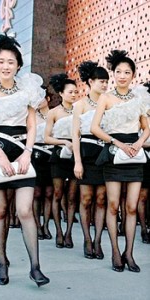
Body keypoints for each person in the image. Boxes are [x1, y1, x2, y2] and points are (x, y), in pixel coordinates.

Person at [0, 33, 50, 286]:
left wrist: (28, 152)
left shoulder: (27, 89)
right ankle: (2, 262)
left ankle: (36, 267)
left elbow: (32, 124)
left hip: (22, 152)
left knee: (24, 210)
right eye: (1, 61)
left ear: (18, 65)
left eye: (11, 62)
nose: (6, 66)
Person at [91, 50, 150, 272]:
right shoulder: (106, 97)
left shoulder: (139, 97)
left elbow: (146, 128)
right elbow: (94, 128)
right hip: (114, 152)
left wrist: (138, 143)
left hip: (134, 153)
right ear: (113, 74)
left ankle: (130, 253)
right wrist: (117, 142)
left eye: (127, 72)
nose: (122, 75)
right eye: (118, 72)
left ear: (133, 75)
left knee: (132, 207)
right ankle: (115, 251)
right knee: (113, 205)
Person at [72, 61, 109, 259]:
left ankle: (98, 241)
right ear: (90, 82)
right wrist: (77, 161)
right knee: (86, 199)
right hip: (86, 155)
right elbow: (75, 135)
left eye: (106, 82)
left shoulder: (109, 102)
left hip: (104, 155)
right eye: (101, 81)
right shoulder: (81, 105)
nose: (104, 85)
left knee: (101, 199)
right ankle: (87, 239)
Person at [44, 73, 78, 248]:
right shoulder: (53, 112)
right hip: (58, 155)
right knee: (57, 194)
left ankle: (69, 232)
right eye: (70, 92)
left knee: (72, 197)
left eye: (76, 92)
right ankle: (58, 231)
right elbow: (47, 137)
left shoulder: (81, 110)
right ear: (62, 93)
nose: (74, 95)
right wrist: (64, 141)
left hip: (76, 156)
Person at [33, 85, 53, 240]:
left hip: (52, 155)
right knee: (37, 192)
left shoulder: (54, 114)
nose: (38, 101)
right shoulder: (32, 115)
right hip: (36, 153)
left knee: (49, 193)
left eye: (41, 97)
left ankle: (46, 225)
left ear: (48, 98)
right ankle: (36, 225)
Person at [137, 81, 150, 244]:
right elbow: (137, 140)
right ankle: (142, 229)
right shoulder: (141, 116)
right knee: (143, 196)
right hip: (144, 158)